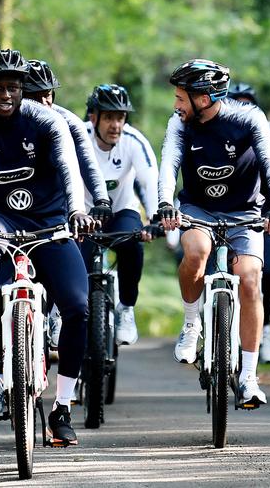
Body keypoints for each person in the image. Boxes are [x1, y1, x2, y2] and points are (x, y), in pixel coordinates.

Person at [0, 48, 98, 446]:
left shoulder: (46, 120)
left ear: (23, 89)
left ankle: (62, 408)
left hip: (50, 223)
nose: (5, 94)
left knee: (78, 308)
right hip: (1, 220)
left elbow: (69, 169)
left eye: (12, 86)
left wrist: (78, 211)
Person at [157, 59, 270, 408]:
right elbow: (168, 163)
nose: (176, 105)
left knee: (249, 279)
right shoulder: (180, 124)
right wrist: (165, 202)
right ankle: (190, 324)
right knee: (197, 251)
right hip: (197, 209)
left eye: (182, 98)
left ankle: (248, 376)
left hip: (245, 212)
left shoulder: (248, 119)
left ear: (203, 98)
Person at [24, 59, 113, 347]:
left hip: (55, 210)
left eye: (49, 94)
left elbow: (88, 166)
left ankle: (53, 313)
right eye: (36, 96)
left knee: (59, 270)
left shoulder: (68, 121)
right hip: (12, 212)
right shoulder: (5, 123)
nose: (44, 101)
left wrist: (100, 198)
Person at [81, 83, 160, 345]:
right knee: (68, 254)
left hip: (121, 210)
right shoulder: (77, 138)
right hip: (82, 214)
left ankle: (126, 308)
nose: (116, 124)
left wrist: (156, 217)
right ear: (94, 117)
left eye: (120, 117)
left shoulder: (134, 141)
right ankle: (60, 313)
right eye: (109, 117)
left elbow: (150, 181)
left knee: (133, 245)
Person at [227, 82, 270, 365]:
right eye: (238, 103)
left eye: (248, 103)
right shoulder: (222, 128)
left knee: (265, 275)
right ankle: (215, 327)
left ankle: (263, 329)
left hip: (263, 211)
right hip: (224, 208)